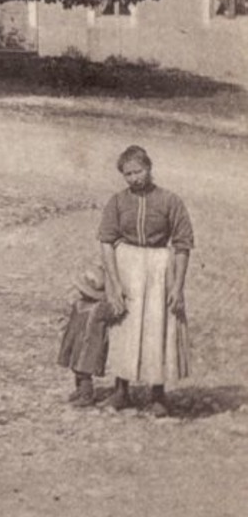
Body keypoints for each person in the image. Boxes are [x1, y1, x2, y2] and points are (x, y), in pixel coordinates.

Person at [98, 145, 193, 416]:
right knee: (124, 327)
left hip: (159, 268)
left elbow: (183, 245)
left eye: (138, 171)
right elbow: (106, 242)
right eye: (127, 174)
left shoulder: (170, 201)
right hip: (127, 265)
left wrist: (178, 286)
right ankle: (121, 390)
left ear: (149, 169)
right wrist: (114, 285)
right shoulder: (117, 202)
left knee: (158, 327)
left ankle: (158, 394)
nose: (133, 178)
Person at [57, 263, 117, 406]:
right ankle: (79, 390)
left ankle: (87, 395)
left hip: (90, 346)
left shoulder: (100, 308)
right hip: (76, 342)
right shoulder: (78, 304)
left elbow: (114, 312)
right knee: (76, 368)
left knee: (84, 371)